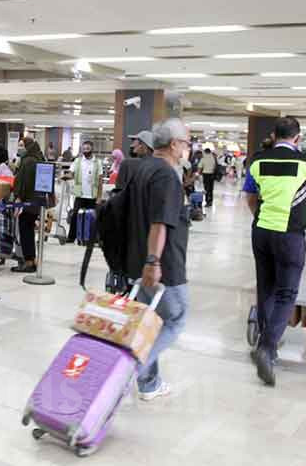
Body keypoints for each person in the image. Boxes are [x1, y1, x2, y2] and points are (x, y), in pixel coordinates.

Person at [243, 117, 306, 386]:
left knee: (266, 288)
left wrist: (261, 218)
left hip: (261, 232)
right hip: (289, 236)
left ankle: (267, 342)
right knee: (287, 293)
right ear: (297, 138)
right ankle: (267, 347)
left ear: (274, 136)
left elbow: (250, 199)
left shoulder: (258, 160)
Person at [124, 120, 190, 401]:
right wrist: (154, 261)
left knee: (150, 321)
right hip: (162, 263)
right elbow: (160, 223)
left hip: (136, 256)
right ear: (174, 144)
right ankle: (129, 372)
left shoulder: (143, 168)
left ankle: (149, 384)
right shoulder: (166, 175)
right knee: (175, 317)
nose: (188, 148)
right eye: (186, 142)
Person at [12, 137, 46, 273]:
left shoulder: (28, 161)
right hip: (36, 201)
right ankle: (32, 260)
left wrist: (19, 198)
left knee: (25, 230)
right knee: (29, 230)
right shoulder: (38, 158)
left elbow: (24, 182)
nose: (20, 148)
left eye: (22, 145)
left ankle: (29, 262)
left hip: (28, 202)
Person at [67, 140, 103, 242]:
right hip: (80, 194)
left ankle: (92, 238)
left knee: (93, 218)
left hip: (92, 195)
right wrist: (66, 176)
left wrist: (99, 197)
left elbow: (100, 181)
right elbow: (71, 173)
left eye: (88, 149)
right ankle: (71, 237)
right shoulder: (77, 161)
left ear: (92, 149)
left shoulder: (97, 162)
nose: (85, 151)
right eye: (84, 149)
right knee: (75, 216)